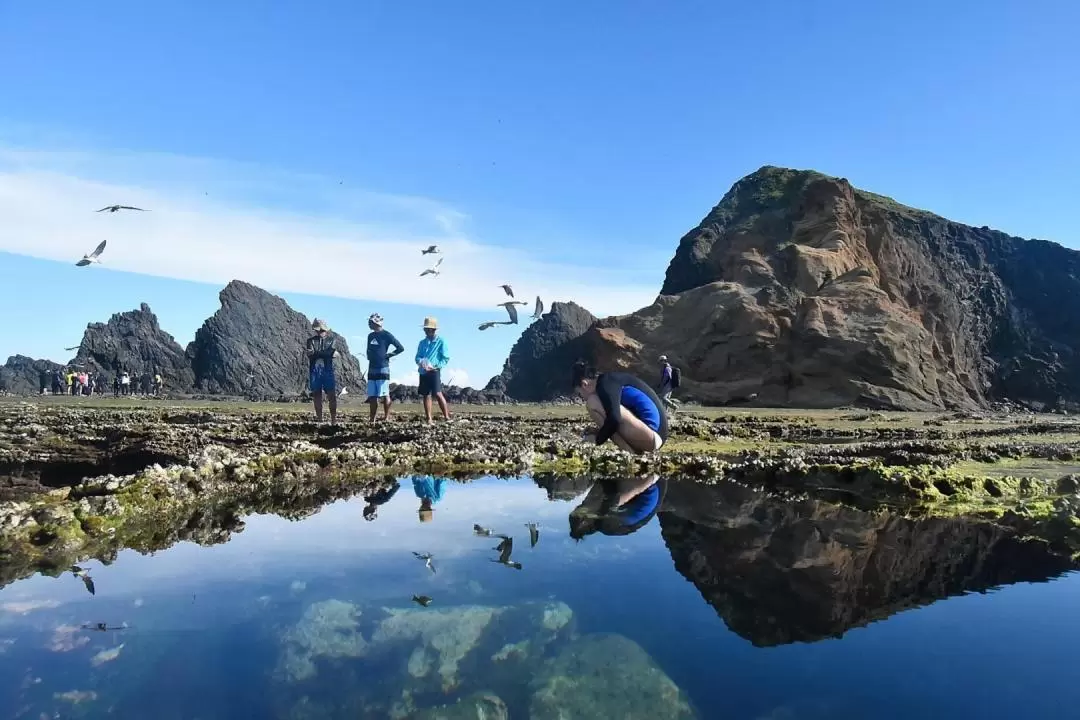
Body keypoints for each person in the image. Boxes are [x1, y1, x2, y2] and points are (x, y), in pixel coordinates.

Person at [571, 360, 669, 454]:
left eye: (580, 394)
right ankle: (632, 451)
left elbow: (614, 420)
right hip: (652, 435)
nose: (583, 399)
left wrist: (597, 440)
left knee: (592, 402)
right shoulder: (609, 381)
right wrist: (599, 431)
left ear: (584, 384)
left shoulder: (605, 384)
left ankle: (629, 452)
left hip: (653, 437)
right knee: (608, 420)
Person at [569, 475, 666, 539]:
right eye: (580, 507)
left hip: (641, 492)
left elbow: (603, 481)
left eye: (579, 506)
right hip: (652, 487)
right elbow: (630, 490)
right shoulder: (607, 522)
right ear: (586, 520)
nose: (582, 503)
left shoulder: (596, 511)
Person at [365, 313, 404, 423]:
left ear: (376, 322)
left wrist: (388, 355)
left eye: (370, 322)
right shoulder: (370, 336)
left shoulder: (387, 335)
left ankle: (386, 417)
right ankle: (372, 418)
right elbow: (368, 348)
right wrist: (369, 355)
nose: (368, 323)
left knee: (384, 393)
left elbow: (400, 348)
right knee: (372, 395)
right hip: (372, 367)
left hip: (383, 368)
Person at [415, 317, 451, 424]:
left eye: (427, 329)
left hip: (434, 371)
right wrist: (421, 362)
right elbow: (417, 357)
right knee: (426, 394)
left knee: (438, 393)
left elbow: (446, 357)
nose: (425, 331)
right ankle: (429, 419)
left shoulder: (441, 341)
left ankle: (447, 417)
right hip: (423, 371)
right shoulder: (422, 343)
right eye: (425, 329)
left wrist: (436, 366)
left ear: (433, 329)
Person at [305, 318, 340, 424]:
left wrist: (317, 353)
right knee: (317, 394)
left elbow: (327, 353)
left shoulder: (332, 340)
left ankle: (333, 420)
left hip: (327, 370)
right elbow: (328, 353)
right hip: (315, 370)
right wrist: (326, 353)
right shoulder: (311, 341)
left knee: (331, 394)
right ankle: (320, 419)